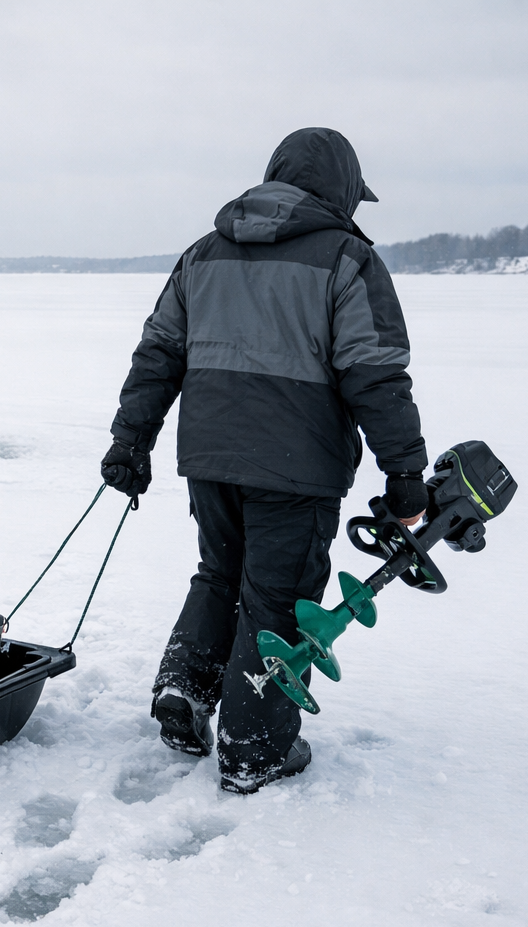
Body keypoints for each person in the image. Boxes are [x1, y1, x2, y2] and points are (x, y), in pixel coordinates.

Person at [100, 127, 429, 794]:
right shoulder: (347, 260)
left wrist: (130, 440)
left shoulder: (204, 253)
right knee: (278, 600)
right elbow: (375, 374)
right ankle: (255, 748)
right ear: (339, 189)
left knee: (221, 574)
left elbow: (158, 351)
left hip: (211, 457)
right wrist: (405, 474)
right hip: (296, 465)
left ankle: (183, 693)